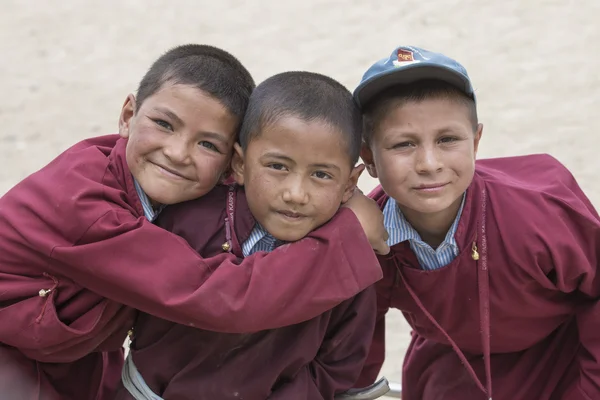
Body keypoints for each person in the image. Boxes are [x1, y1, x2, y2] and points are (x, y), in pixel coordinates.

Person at [0, 45, 386, 400]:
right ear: (128, 116)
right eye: (165, 124)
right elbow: (216, 296)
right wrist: (348, 236)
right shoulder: (85, 204)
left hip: (69, 355)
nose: (178, 153)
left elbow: (343, 361)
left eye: (208, 145)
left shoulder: (178, 190)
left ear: (229, 163)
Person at [116, 71, 383, 400]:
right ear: (240, 163)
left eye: (321, 174)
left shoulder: (351, 261)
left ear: (350, 184)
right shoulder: (188, 218)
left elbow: (338, 364)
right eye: (277, 167)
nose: (296, 193)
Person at [353, 45, 600, 400]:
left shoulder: (538, 213)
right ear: (369, 158)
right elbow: (357, 335)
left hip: (563, 351)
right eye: (403, 144)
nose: (428, 163)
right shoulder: (367, 236)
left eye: (448, 139)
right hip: (455, 358)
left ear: (476, 141)